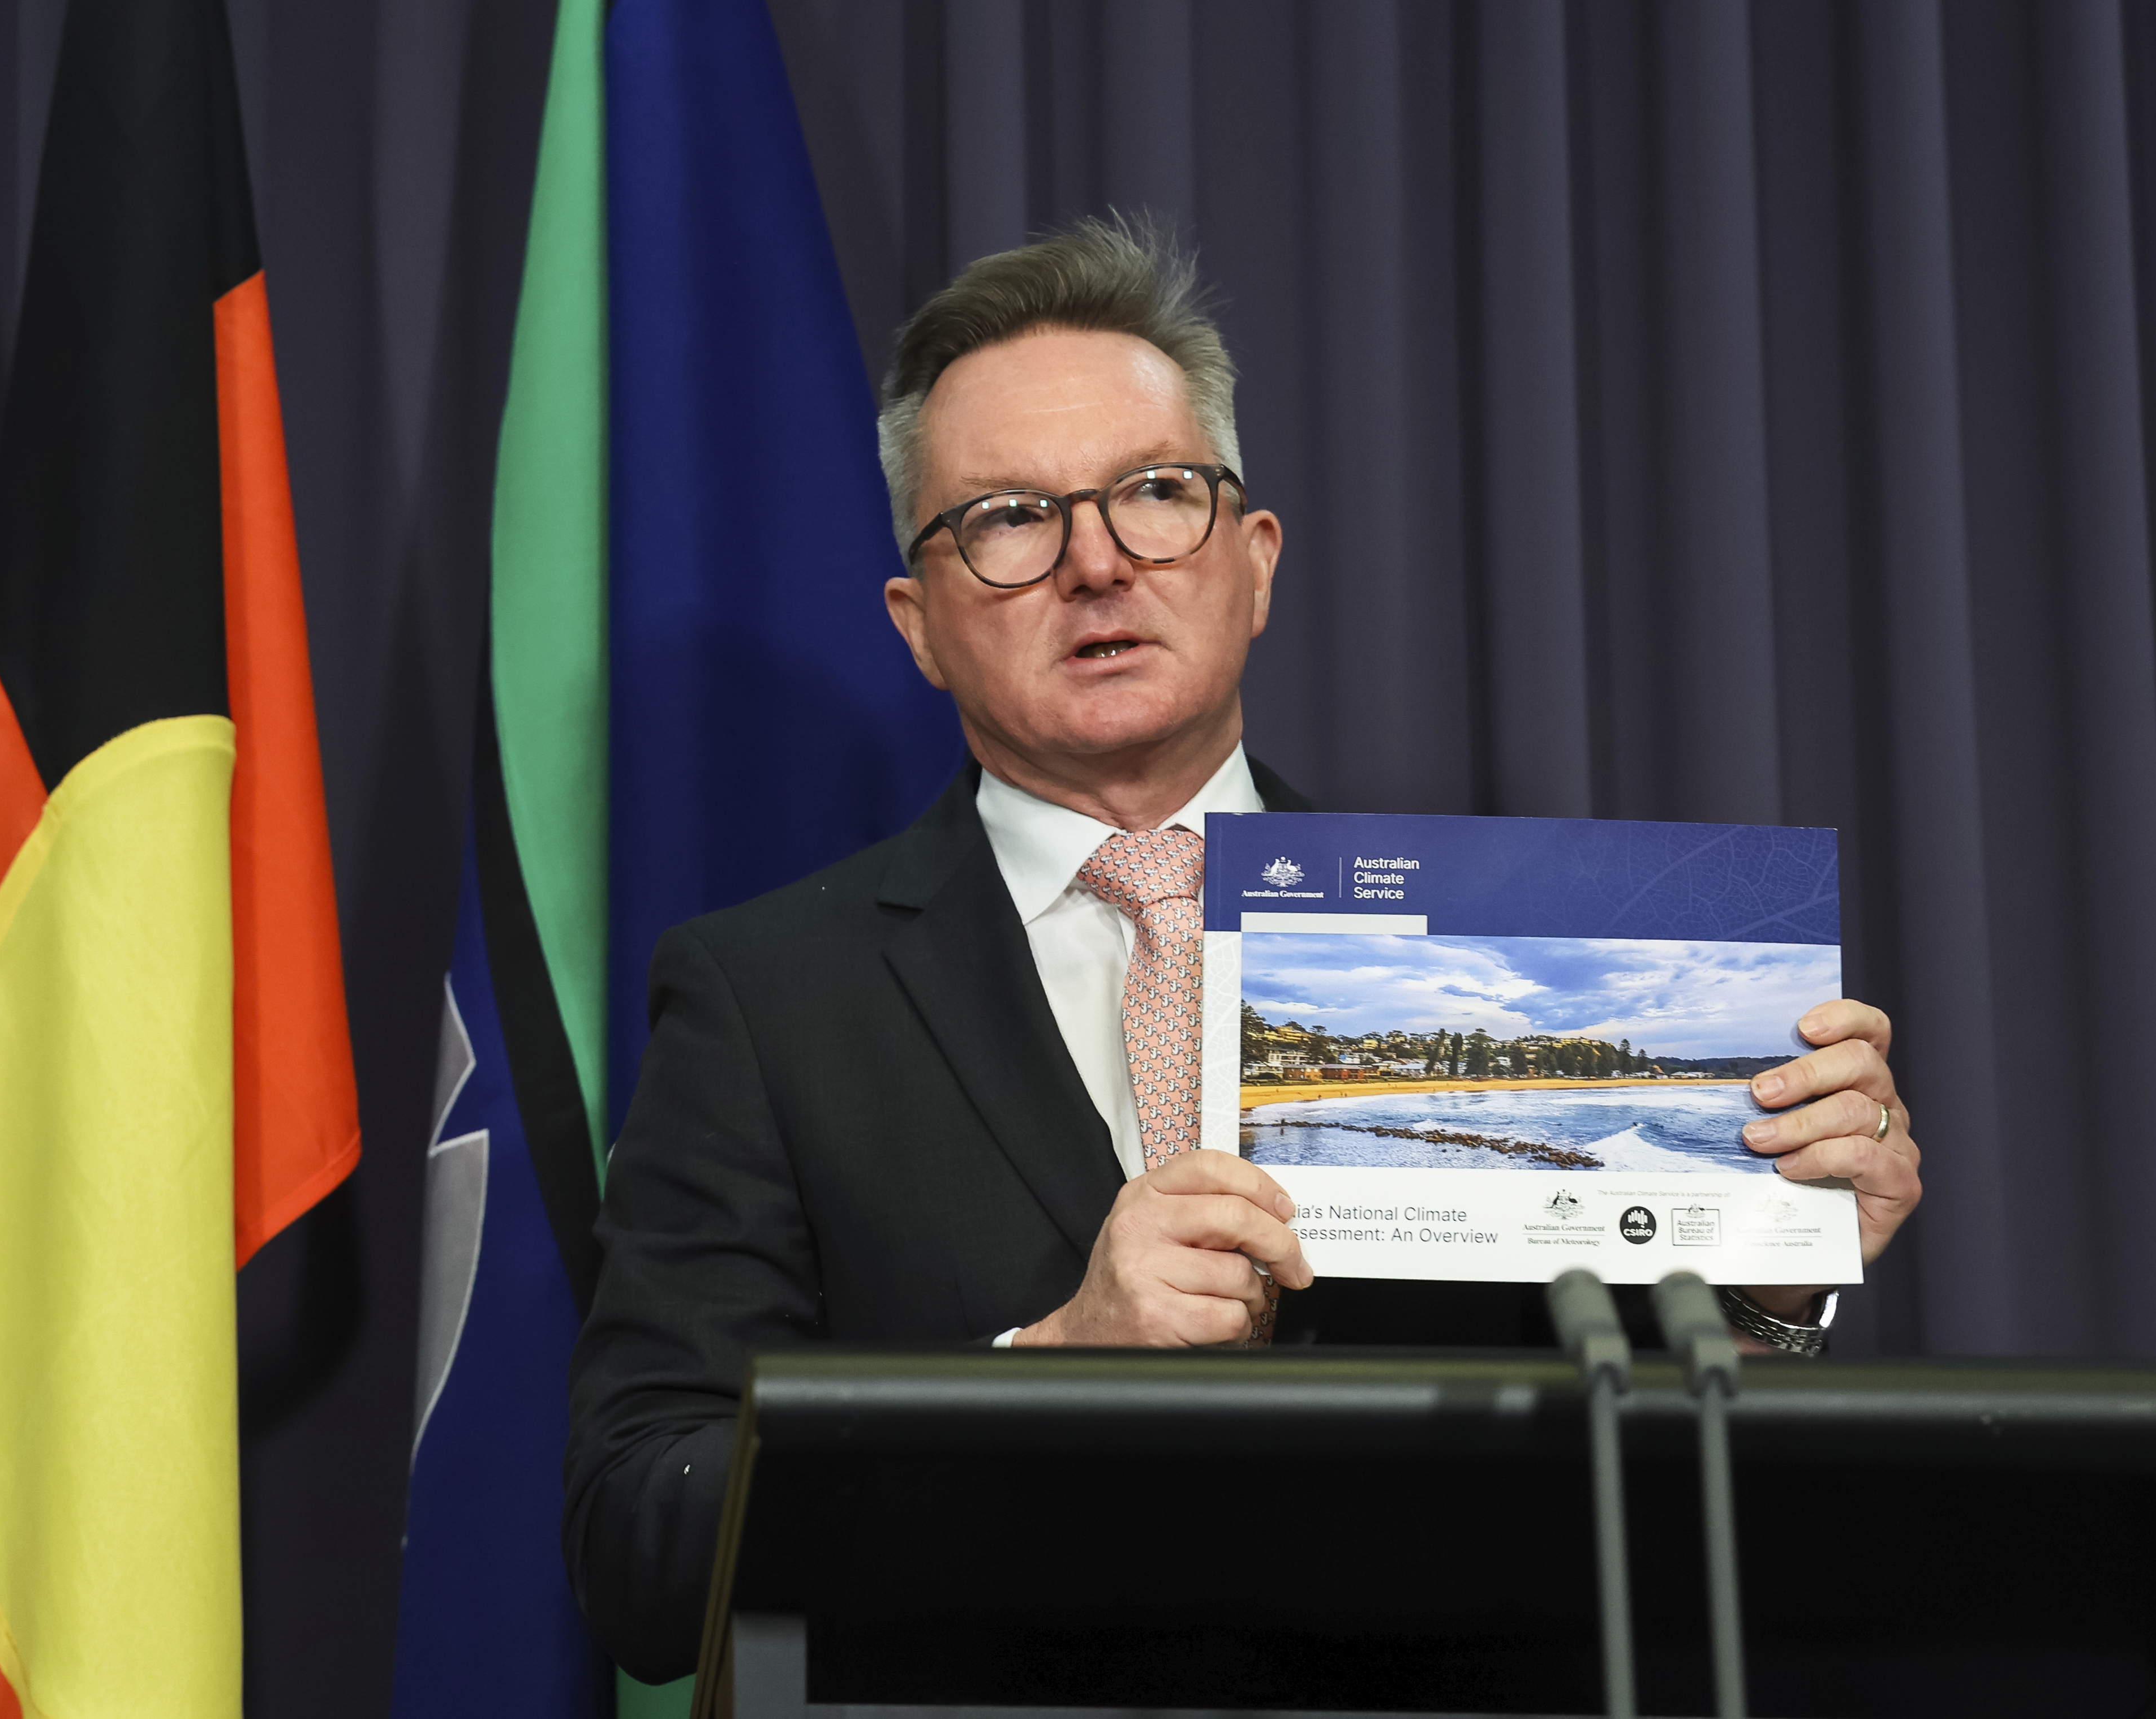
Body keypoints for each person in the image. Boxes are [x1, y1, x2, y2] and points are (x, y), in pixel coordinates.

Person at [563, 218, 1925, 1679]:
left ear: (1254, 563)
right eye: (1011, 518)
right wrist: (1053, 1371)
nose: (1096, 562)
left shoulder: (1503, 949)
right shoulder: (767, 1000)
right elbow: (645, 1533)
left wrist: (1770, 1283)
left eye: (1157, 493)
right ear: (920, 625)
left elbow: (1663, 1513)